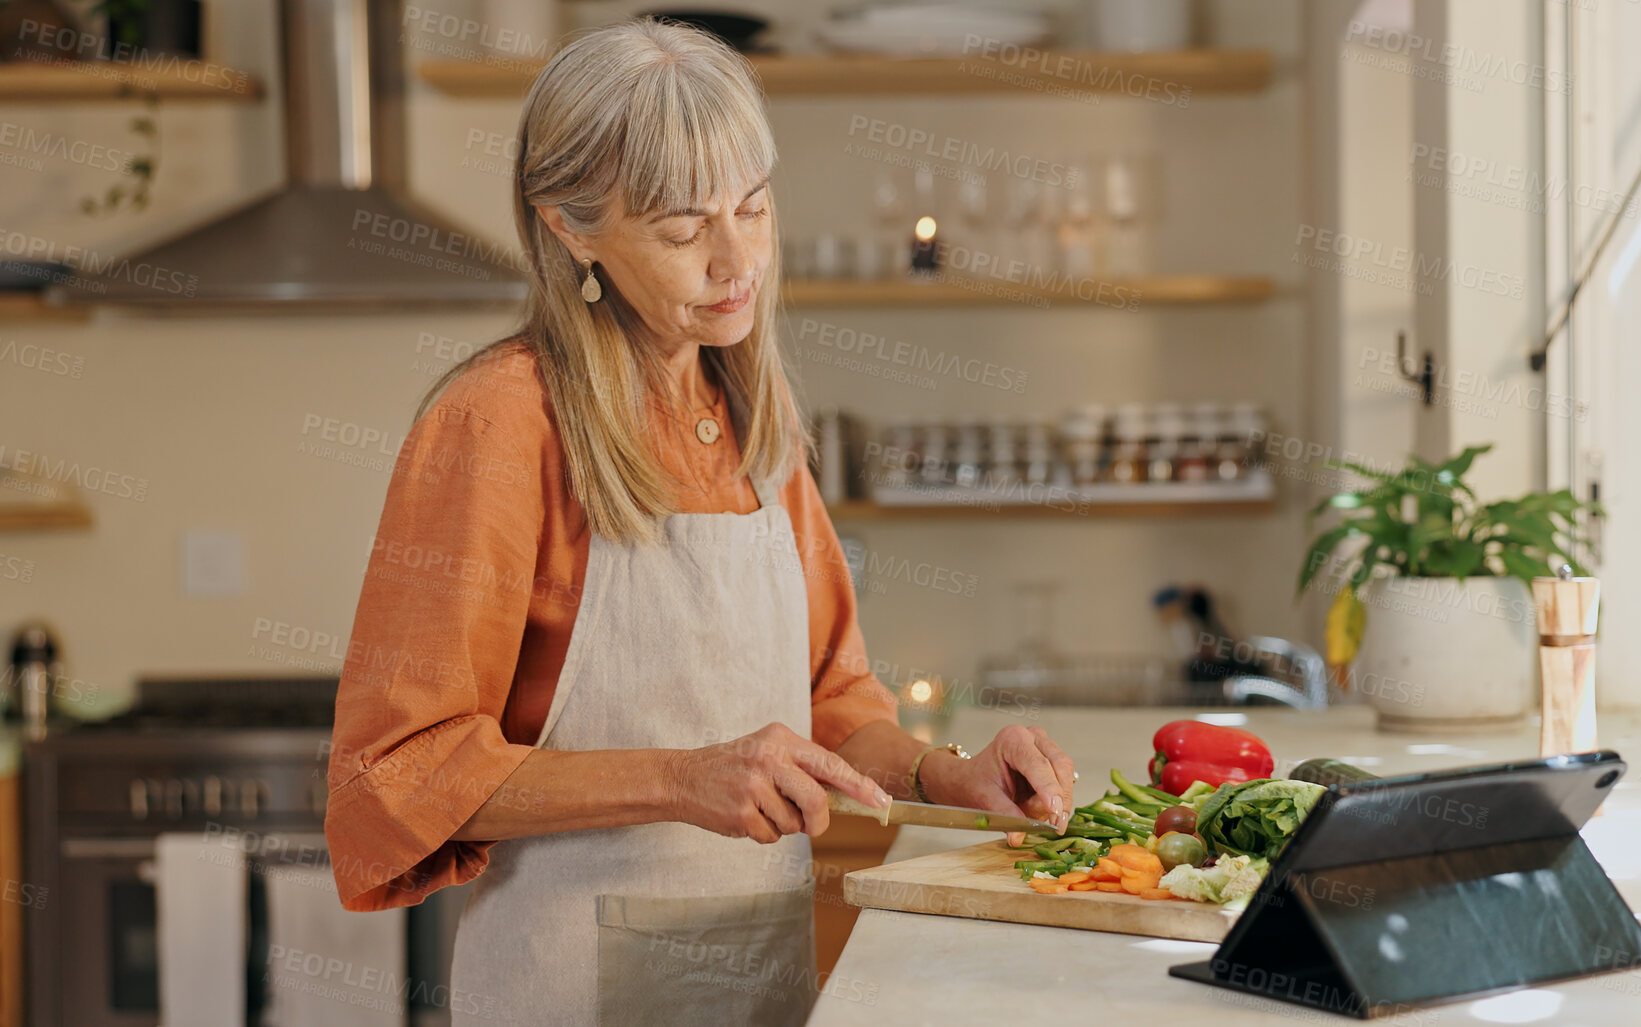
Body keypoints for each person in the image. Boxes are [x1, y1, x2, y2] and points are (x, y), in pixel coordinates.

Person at [322, 19, 1076, 1026]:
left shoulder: (756, 415)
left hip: (756, 978)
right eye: (682, 230)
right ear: (569, 226)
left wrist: (950, 777)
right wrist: (683, 778)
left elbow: (833, 696)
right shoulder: (500, 421)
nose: (736, 260)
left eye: (754, 210)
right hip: (570, 988)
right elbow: (396, 775)